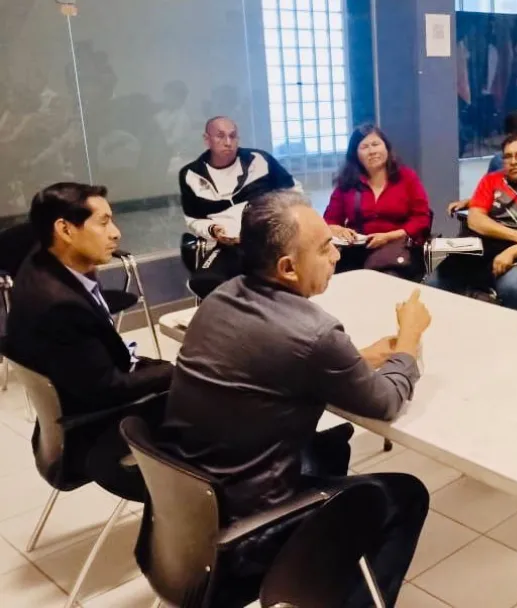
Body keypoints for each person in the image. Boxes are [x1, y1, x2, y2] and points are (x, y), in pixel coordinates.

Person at [158, 189, 431, 608]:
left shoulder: (221, 297)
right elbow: (386, 402)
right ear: (287, 267)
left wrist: (356, 357)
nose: (337, 255)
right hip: (243, 530)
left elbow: (272, 364)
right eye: (325, 249)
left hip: (190, 508)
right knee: (406, 494)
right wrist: (409, 339)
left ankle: (323, 577)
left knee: (328, 447)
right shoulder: (315, 333)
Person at [6, 182, 173, 495]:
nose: (116, 233)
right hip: (92, 434)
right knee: (210, 404)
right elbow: (108, 388)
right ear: (65, 230)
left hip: (64, 419)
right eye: (103, 222)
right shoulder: (59, 306)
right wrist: (173, 372)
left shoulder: (41, 261)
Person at [425, 134, 517, 310]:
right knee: (433, 279)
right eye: (508, 156)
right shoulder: (492, 180)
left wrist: (511, 252)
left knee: (514, 286)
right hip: (480, 245)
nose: (513, 161)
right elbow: (475, 220)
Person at [179, 116, 299, 297]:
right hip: (227, 244)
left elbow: (294, 192)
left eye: (233, 136)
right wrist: (213, 230)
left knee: (276, 277)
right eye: (220, 136)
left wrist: (283, 220)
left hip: (266, 238)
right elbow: (194, 219)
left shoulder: (260, 161)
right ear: (207, 140)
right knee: (204, 282)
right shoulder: (191, 175)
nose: (228, 142)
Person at [323, 124, 431, 277]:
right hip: (357, 251)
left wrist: (389, 236)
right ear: (356, 154)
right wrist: (338, 230)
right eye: (365, 147)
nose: (372, 151)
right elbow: (329, 220)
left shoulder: (407, 177)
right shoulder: (347, 182)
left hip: (397, 249)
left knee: (385, 278)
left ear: (386, 148)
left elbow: (421, 218)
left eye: (376, 144)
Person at [447, 110, 517, 217]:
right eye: (515, 137)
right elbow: (489, 195)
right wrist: (469, 202)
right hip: (501, 218)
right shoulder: (498, 161)